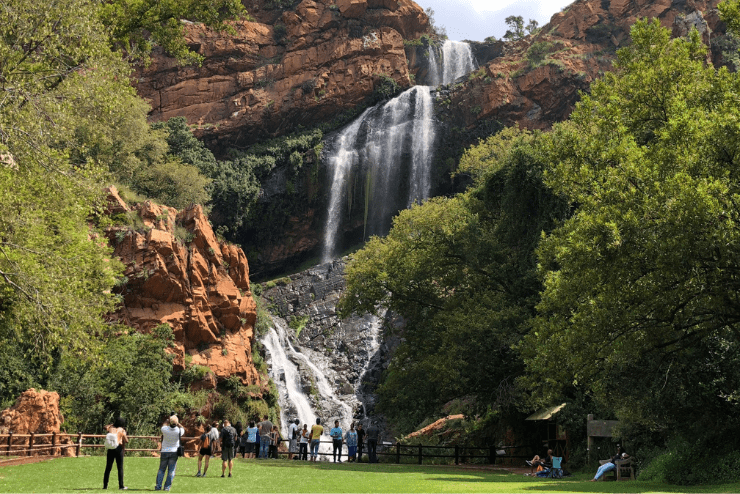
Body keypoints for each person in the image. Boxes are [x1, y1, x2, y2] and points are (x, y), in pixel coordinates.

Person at [155, 415, 184, 491]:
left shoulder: (165, 429)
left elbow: (163, 425)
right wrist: (177, 422)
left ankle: (158, 486)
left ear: (170, 422)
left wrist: (167, 420)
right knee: (171, 470)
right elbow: (182, 428)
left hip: (164, 451)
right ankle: (167, 487)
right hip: (174, 452)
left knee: (161, 470)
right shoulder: (179, 431)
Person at [103, 417, 129, 490]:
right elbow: (126, 440)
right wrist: (124, 435)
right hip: (118, 448)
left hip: (110, 449)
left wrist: (112, 424)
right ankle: (121, 486)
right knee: (120, 468)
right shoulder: (122, 430)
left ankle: (105, 486)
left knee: (108, 467)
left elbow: (105, 427)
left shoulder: (110, 428)